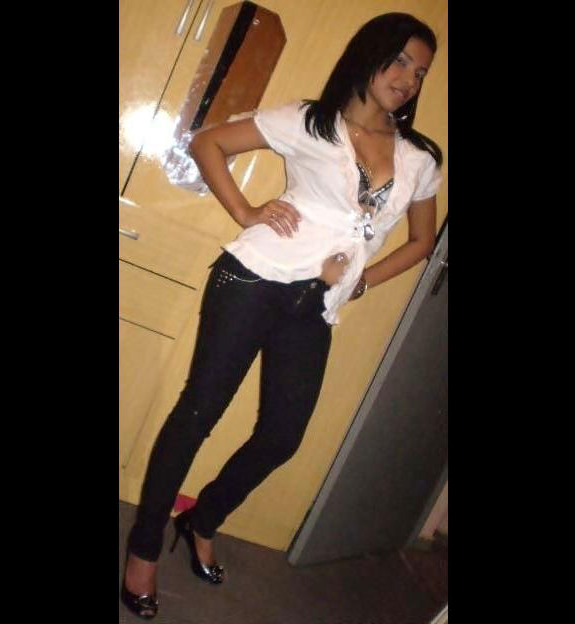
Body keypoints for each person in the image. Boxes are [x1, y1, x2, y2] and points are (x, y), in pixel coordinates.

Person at [121, 11, 443, 619]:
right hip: (252, 280)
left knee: (282, 437)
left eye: (421, 72)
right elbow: (208, 142)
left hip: (315, 305)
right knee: (197, 414)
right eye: (400, 61)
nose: (408, 79)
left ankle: (202, 519)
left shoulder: (421, 158)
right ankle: (143, 552)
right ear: (369, 55)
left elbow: (422, 242)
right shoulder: (309, 121)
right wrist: (247, 212)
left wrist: (360, 283)